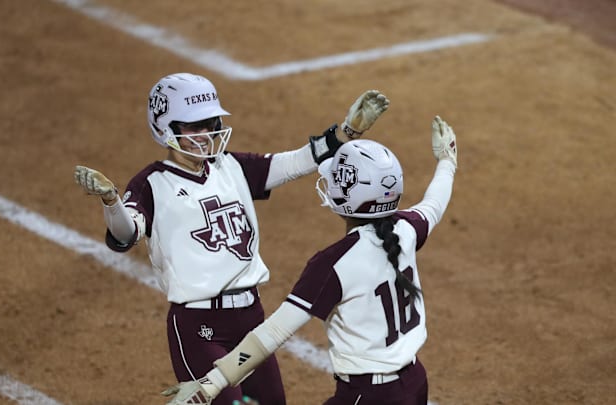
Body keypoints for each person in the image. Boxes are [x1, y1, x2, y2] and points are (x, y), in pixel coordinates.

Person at [73, 72, 391, 405]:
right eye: (194, 127)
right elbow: (126, 233)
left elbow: (295, 162)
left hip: (250, 317)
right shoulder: (151, 183)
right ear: (166, 128)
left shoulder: (231, 166)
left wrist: (347, 132)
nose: (206, 134)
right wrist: (111, 201)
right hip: (199, 326)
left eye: (210, 123)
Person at [162, 116, 458, 405]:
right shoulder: (405, 230)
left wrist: (211, 384)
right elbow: (435, 202)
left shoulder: (333, 264)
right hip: (415, 382)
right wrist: (447, 159)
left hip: (366, 396)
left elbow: (275, 332)